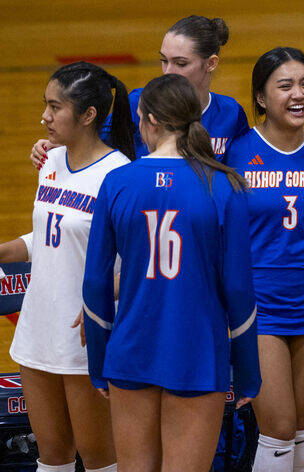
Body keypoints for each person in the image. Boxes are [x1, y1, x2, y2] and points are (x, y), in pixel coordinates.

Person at [81, 74, 261, 471]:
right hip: (199, 353)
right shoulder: (224, 186)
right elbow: (239, 290)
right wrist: (248, 371)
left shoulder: (117, 182)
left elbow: (95, 283)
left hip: (129, 352)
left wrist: (98, 364)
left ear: (149, 121)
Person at [0, 62, 134, 472]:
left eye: (55, 107)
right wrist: (5, 250)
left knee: (98, 460)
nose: (44, 116)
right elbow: (49, 237)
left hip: (84, 337)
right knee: (51, 457)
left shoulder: (120, 175)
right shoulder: (51, 160)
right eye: (46, 105)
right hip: (36, 331)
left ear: (88, 114)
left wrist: (98, 303)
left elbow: (136, 265)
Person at [224, 48, 304, 472]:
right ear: (260, 97)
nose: (299, 95)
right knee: (277, 426)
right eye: (285, 85)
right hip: (257, 309)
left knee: (302, 426)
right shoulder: (235, 154)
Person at [30, 15, 249, 166]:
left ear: (211, 63)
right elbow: (92, 142)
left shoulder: (231, 113)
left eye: (181, 63)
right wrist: (57, 144)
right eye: (164, 61)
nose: (168, 72)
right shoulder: (139, 103)